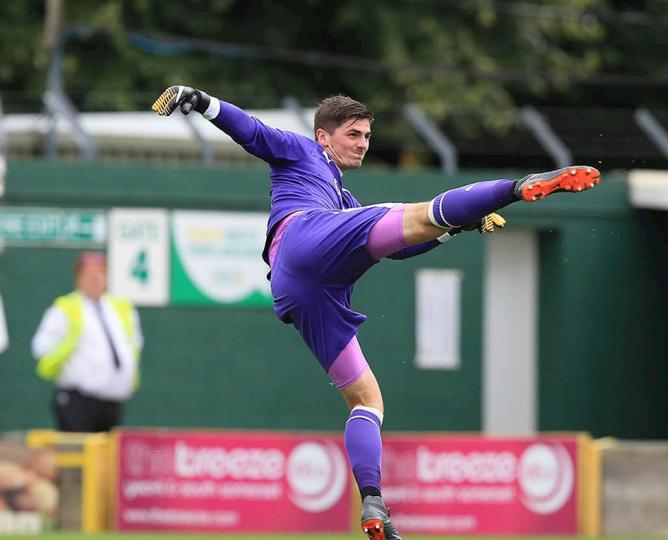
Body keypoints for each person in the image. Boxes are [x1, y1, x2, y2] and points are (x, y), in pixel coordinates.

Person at [151, 85, 600, 540]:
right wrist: (201, 101)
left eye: (367, 135)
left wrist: (453, 229)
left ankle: (373, 503)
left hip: (305, 291)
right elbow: (252, 131)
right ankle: (517, 187)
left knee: (368, 401)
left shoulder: (344, 202)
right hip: (305, 239)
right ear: (323, 136)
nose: (363, 143)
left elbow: (400, 248)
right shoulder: (303, 151)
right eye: (354, 134)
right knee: (413, 212)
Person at [31, 252, 143, 432]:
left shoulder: (121, 308)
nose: (95, 278)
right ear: (78, 278)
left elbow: (134, 345)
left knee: (108, 450)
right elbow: (41, 348)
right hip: (78, 402)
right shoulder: (65, 308)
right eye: (88, 274)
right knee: (78, 450)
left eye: (100, 272)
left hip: (114, 402)